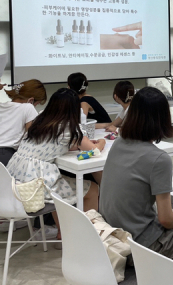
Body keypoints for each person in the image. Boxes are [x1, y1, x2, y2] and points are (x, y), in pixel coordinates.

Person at [100, 87, 173, 261]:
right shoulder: (158, 159)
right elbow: (166, 219)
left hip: (112, 239)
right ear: (163, 118)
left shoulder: (118, 144)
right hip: (141, 247)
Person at [7, 88, 104, 239]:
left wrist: (79, 144)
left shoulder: (40, 119)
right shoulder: (69, 128)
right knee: (91, 189)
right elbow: (95, 151)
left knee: (56, 188)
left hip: (15, 181)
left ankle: (63, 232)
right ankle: (88, 236)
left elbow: (54, 142)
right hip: (36, 187)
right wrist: (102, 142)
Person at [0, 79, 47, 166]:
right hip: (4, 156)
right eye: (37, 104)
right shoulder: (28, 107)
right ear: (31, 100)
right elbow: (32, 137)